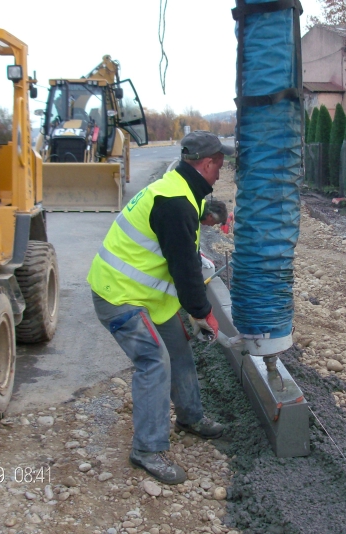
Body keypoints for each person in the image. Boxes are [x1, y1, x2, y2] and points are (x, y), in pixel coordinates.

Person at [87, 130, 234, 485]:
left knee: (178, 352)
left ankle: (190, 417)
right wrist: (201, 314)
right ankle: (147, 450)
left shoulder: (181, 187)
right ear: (207, 163)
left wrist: (210, 213)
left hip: (148, 298)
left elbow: (189, 216)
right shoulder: (174, 203)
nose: (221, 172)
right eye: (220, 165)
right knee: (155, 361)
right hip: (119, 296)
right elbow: (184, 269)